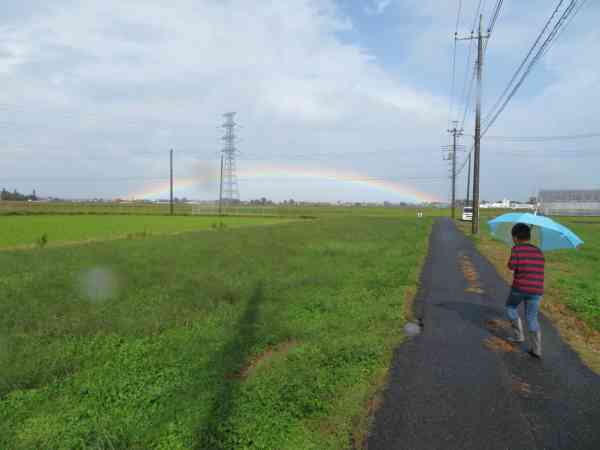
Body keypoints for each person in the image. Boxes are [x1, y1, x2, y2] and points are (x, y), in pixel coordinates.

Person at [506, 223, 545, 358]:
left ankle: (518, 336)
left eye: (512, 237)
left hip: (520, 288)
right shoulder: (539, 251)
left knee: (511, 307)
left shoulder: (516, 249)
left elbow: (511, 266)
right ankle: (537, 349)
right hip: (537, 290)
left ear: (516, 237)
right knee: (532, 318)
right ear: (529, 236)